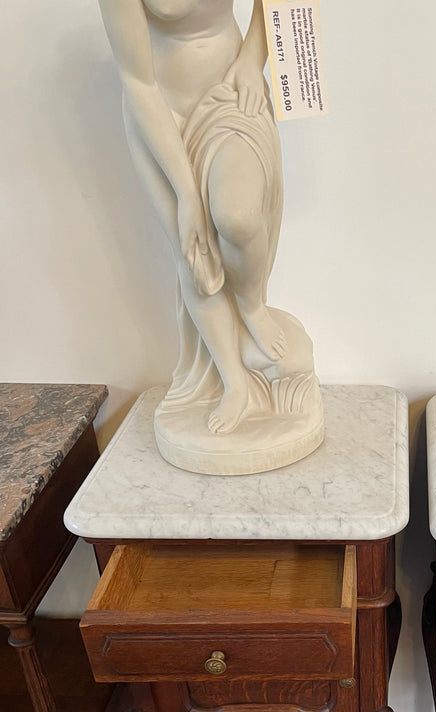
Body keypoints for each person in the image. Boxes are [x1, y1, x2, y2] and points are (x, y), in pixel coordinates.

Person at [99, 0, 294, 434]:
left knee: (239, 218)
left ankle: (252, 304)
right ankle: (234, 384)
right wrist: (187, 194)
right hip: (161, 116)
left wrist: (251, 59)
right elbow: (138, 82)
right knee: (195, 255)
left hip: (228, 92)